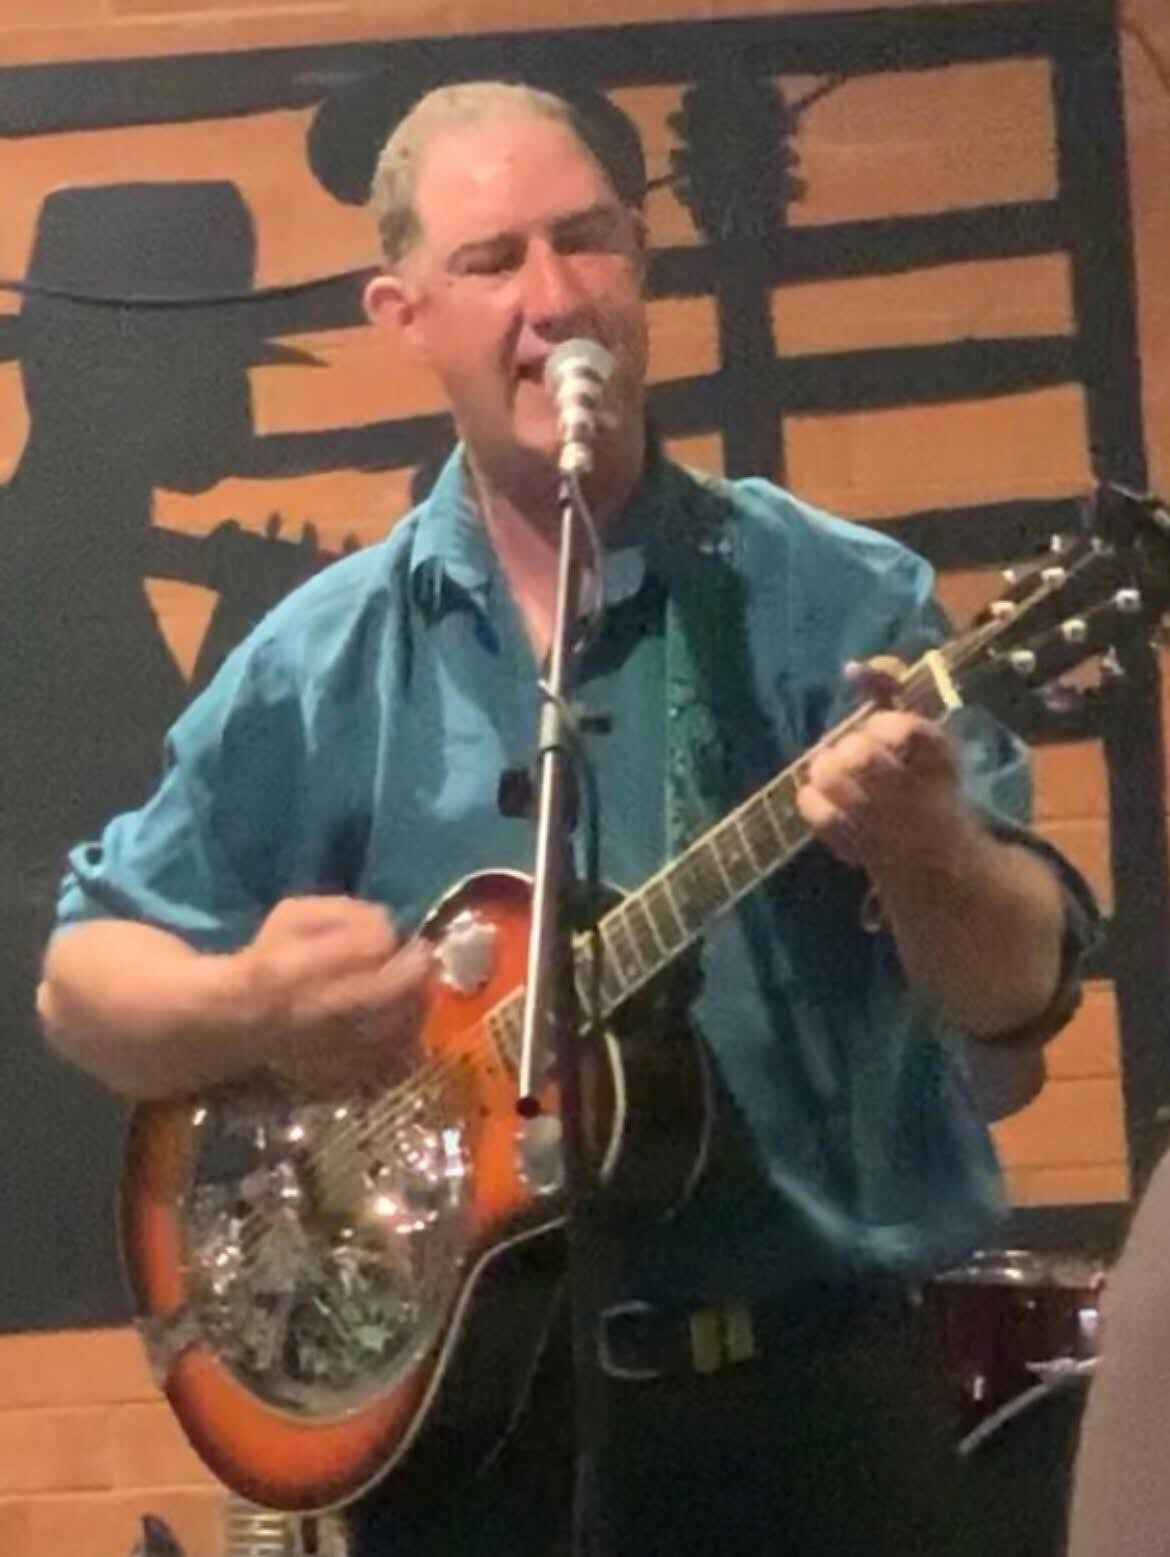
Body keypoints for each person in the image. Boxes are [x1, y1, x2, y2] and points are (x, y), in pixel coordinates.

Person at [38, 82, 1098, 1556]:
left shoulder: (840, 598)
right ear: (405, 314)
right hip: (469, 1445)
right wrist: (251, 1006)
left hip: (817, 1415)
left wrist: (930, 852)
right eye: (491, 262)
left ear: (639, 263)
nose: (553, 299)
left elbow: (1014, 998)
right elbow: (82, 980)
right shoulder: (323, 659)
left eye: (585, 240)